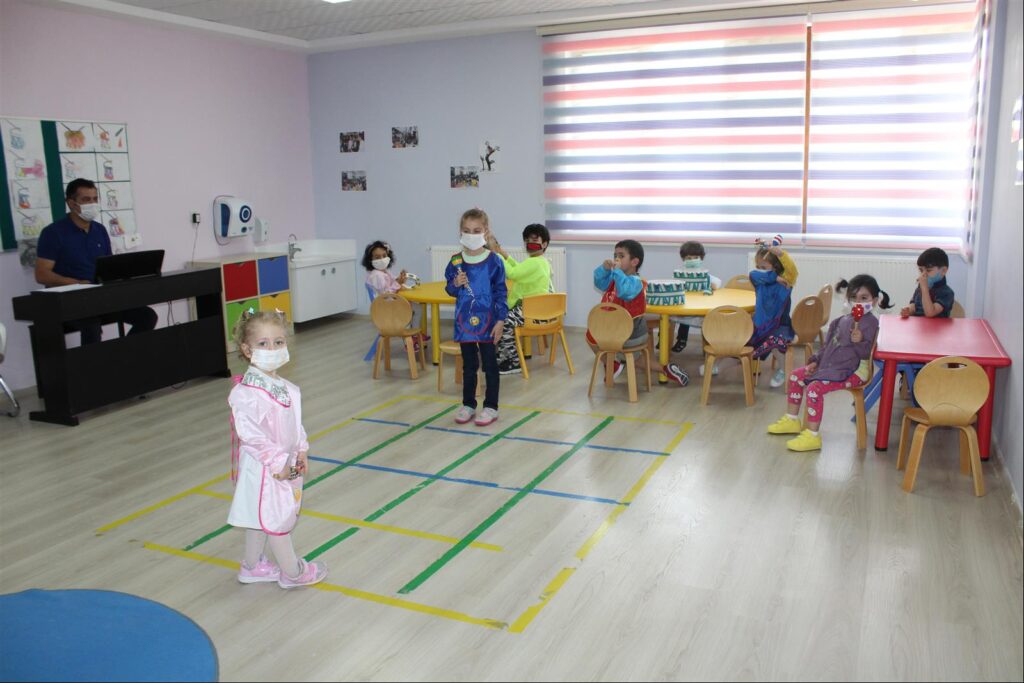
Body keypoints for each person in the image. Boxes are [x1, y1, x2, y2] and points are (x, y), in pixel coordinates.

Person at [228, 310, 328, 589]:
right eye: (263, 343)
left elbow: (295, 425)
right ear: (247, 350)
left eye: (279, 342)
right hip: (266, 468)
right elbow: (252, 437)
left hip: (284, 463)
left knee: (259, 515)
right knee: (278, 519)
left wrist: (301, 450)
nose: (272, 349)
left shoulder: (285, 388)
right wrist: (278, 463)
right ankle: (293, 572)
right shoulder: (246, 393)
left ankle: (252, 566)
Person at [767, 274, 892, 452]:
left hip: (854, 371)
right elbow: (827, 346)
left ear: (875, 300)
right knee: (795, 376)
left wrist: (860, 342)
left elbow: (868, 355)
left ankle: (812, 436)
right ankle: (792, 420)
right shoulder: (840, 321)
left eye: (864, 298)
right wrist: (816, 362)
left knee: (814, 389)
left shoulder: (871, 323)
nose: (858, 302)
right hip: (831, 366)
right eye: (854, 297)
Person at [34, 178, 157, 345]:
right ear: (71, 203)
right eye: (86, 199)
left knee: (147, 316)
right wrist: (76, 283)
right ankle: (91, 362)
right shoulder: (53, 233)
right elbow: (42, 274)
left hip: (99, 297)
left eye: (94, 199)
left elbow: (109, 266)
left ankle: (123, 356)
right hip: (69, 301)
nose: (92, 204)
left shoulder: (99, 230)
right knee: (91, 325)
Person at [588, 239, 688, 386]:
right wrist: (604, 269)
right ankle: (665, 369)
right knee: (593, 337)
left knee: (612, 348)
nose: (616, 259)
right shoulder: (615, 277)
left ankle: (614, 364)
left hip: (632, 332)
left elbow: (624, 291)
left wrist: (617, 272)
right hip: (616, 329)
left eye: (621, 256)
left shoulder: (636, 282)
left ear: (634, 262)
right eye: (615, 255)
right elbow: (599, 283)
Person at [444, 208, 507, 426]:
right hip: (465, 324)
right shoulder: (455, 262)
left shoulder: (494, 261)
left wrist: (501, 320)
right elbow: (450, 290)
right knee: (469, 366)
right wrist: (455, 284)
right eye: (467, 230)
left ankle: (491, 407)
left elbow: (501, 293)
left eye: (476, 230)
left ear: (485, 231)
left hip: (489, 323)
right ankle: (468, 404)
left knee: (490, 365)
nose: (471, 235)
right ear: (460, 232)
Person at [486, 223, 553, 375]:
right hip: (535, 309)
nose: (530, 244)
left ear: (544, 244)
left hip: (531, 311)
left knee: (504, 321)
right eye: (527, 240)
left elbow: (513, 273)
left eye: (534, 241)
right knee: (503, 319)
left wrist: (495, 255)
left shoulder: (534, 262)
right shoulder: (540, 261)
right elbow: (518, 268)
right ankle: (504, 356)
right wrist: (505, 255)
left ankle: (511, 362)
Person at [747, 242, 799, 388]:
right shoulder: (760, 280)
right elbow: (753, 274)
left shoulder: (786, 281)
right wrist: (773, 277)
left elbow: (792, 270)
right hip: (761, 325)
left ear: (776, 266)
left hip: (780, 325)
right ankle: (717, 366)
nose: (760, 270)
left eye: (764, 267)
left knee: (774, 341)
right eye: (758, 266)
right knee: (743, 341)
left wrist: (780, 254)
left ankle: (783, 370)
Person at [361, 240, 424, 348]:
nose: (382, 259)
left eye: (384, 255)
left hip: (391, 304)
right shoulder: (377, 276)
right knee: (414, 309)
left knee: (417, 308)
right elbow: (385, 294)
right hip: (387, 308)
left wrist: (400, 279)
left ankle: (413, 335)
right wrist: (398, 283)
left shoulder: (384, 272)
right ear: (370, 260)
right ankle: (409, 339)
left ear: (388, 256)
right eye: (377, 257)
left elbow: (392, 282)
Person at [900, 247, 954, 318]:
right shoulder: (921, 287)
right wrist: (908, 310)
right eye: (921, 270)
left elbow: (930, 313)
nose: (923, 275)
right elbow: (914, 305)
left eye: (928, 270)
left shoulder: (947, 293)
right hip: (919, 323)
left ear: (943, 271)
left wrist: (924, 289)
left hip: (936, 324)